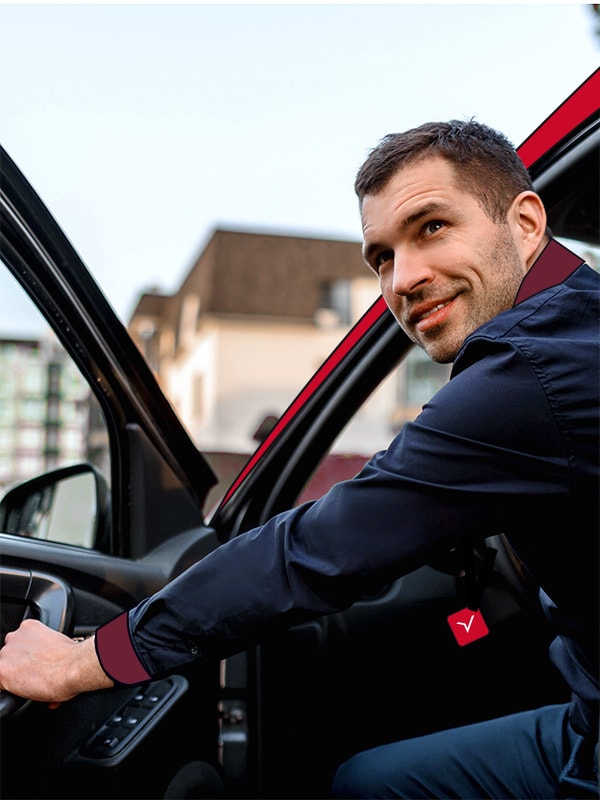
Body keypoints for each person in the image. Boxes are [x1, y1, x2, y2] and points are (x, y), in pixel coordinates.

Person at [0, 119, 597, 799]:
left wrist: (81, 660)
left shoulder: (533, 367)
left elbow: (307, 553)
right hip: (586, 718)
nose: (404, 278)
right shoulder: (571, 331)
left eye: (431, 227)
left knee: (364, 786)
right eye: (381, 257)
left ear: (524, 223)